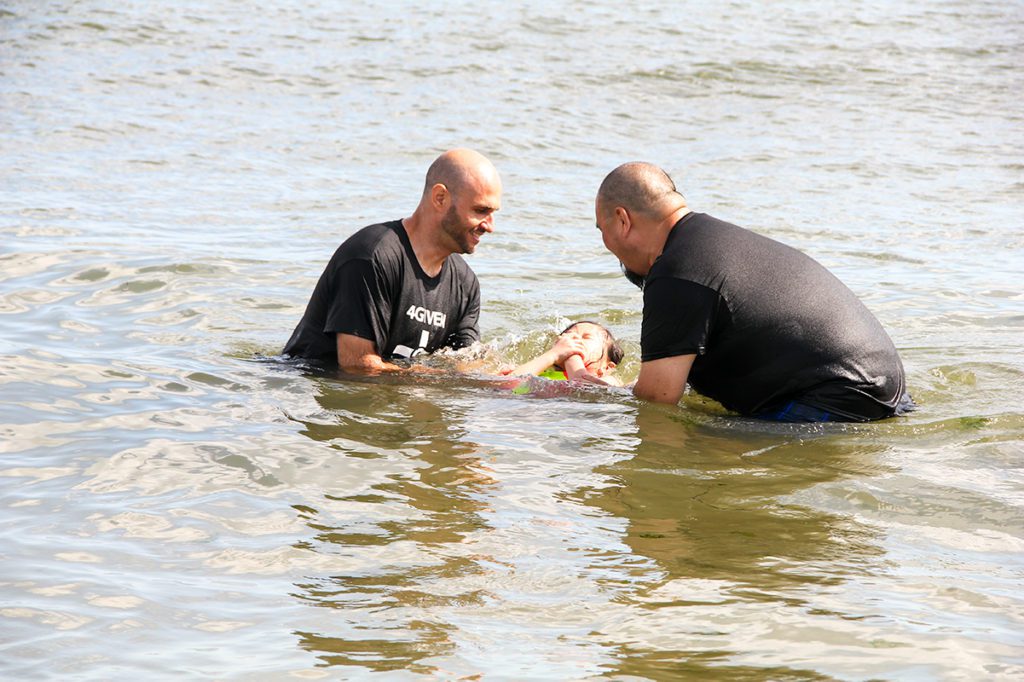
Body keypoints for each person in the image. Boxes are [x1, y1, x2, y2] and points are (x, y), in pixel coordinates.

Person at [592, 161, 912, 422]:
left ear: (622, 220)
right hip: (887, 390)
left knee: (698, 452)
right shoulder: (711, 243)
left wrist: (589, 395)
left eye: (601, 230)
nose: (606, 244)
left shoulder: (677, 271)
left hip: (838, 402)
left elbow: (657, 400)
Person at [283, 149, 501, 372]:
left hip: (392, 394)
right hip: (306, 387)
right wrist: (431, 378)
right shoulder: (370, 256)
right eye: (480, 210)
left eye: (493, 213)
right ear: (440, 198)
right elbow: (357, 367)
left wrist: (499, 380)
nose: (489, 226)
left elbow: (468, 365)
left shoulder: (466, 284)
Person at [504, 321, 624, 385]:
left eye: (586, 337)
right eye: (568, 335)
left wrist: (572, 355)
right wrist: (552, 355)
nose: (573, 339)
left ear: (607, 367)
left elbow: (583, 391)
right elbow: (504, 385)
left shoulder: (609, 380)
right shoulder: (539, 371)